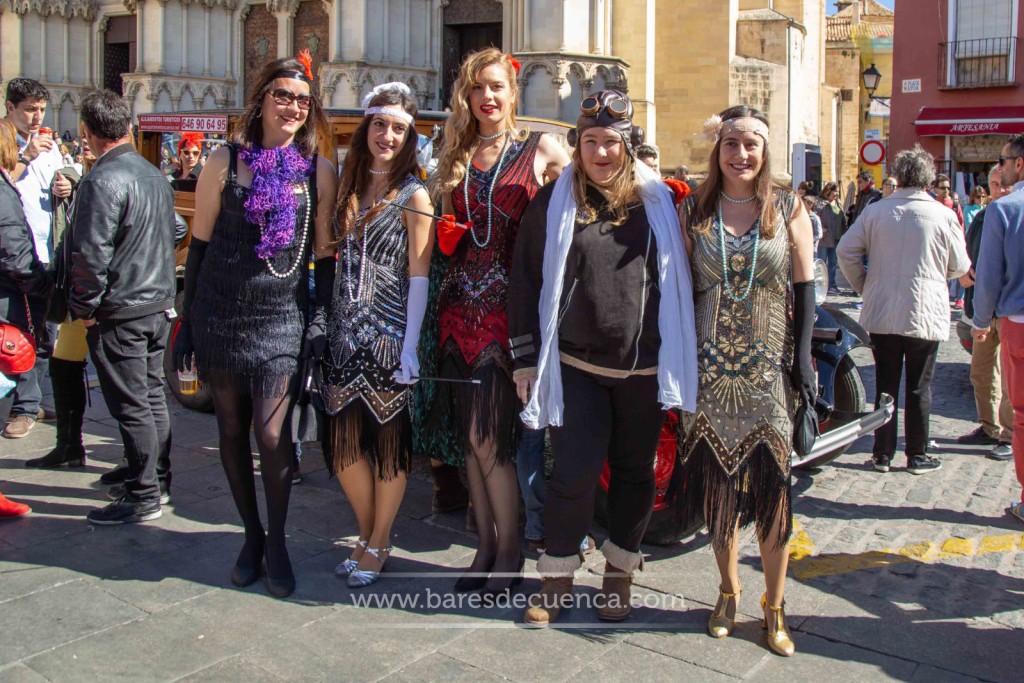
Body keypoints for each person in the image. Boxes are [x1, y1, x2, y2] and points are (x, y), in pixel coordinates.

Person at [509, 90, 697, 626]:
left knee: (635, 474)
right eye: (590, 141)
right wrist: (525, 358)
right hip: (578, 366)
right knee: (573, 475)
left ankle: (619, 576)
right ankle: (557, 578)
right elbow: (525, 280)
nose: (600, 152)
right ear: (578, 146)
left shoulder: (661, 204)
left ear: (628, 146)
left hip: (645, 370)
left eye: (611, 142)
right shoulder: (554, 202)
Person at [175, 53, 336, 597]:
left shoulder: (319, 171)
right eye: (282, 95)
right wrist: (188, 325)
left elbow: (325, 258)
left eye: (302, 100)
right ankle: (251, 535)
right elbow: (199, 245)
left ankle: (278, 542)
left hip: (281, 319)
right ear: (262, 99)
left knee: (271, 434)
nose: (292, 107)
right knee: (229, 429)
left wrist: (320, 321)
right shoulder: (224, 160)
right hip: (220, 312)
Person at [428, 47, 570, 595]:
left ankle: (510, 551)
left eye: (496, 87)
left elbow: (582, 207)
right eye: (476, 87)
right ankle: (485, 546)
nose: (486, 97)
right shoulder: (456, 152)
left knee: (490, 437)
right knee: (469, 440)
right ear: (466, 96)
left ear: (513, 92)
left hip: (508, 315)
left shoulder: (541, 148)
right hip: (455, 311)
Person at [676, 106, 815, 657]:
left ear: (765, 150)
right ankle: (728, 590)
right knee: (719, 491)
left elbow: (806, 287)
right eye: (731, 143)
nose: (741, 155)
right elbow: (677, 290)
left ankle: (775, 605)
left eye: (750, 144)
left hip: (767, 371)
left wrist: (803, 360)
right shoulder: (695, 208)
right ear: (718, 149)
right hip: (708, 372)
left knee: (774, 492)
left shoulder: (788, 205)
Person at [314, 83, 433, 588]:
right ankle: (366, 534)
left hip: (389, 337)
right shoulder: (346, 184)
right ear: (367, 128)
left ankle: (380, 541)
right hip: (344, 334)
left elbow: (420, 276)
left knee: (387, 445)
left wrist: (410, 347)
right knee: (343, 444)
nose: (387, 135)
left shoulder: (415, 195)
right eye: (380, 125)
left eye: (399, 129)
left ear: (410, 138)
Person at [63, 90, 176, 525]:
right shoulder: (152, 174)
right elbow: (175, 227)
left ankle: (144, 493)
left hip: (122, 308)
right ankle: (153, 478)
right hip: (154, 303)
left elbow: (90, 254)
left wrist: (86, 307)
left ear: (87, 133)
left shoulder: (101, 180)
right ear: (126, 127)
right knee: (150, 396)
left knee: (132, 403)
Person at [838, 145, 969, 476]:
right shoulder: (942, 214)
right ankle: (917, 454)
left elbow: (846, 251)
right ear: (928, 178)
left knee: (885, 382)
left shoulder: (876, 211)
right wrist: (938, 273)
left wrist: (866, 285)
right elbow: (960, 265)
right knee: (919, 385)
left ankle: (882, 453)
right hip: (924, 308)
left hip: (883, 308)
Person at [24, 126, 94, 471]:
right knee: (63, 364)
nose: (85, 146)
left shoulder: (114, 179)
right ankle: (68, 446)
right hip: (80, 297)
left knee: (125, 384)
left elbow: (176, 226)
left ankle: (139, 467)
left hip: (104, 299)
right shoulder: (82, 177)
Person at [3, 78, 62, 438]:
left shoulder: (50, 144)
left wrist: (67, 184)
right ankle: (22, 407)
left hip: (46, 253)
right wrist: (26, 157)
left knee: (44, 335)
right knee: (15, 335)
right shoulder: (6, 143)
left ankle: (30, 400)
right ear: (10, 108)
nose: (36, 116)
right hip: (14, 259)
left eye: (41, 109)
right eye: (29, 109)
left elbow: (62, 179)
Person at [972, 133, 1024, 526]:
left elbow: (989, 276)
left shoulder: (1004, 209)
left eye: (1003, 161)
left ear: (1019, 164)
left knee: (1021, 414)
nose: (1000, 168)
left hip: (1018, 323)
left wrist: (980, 320)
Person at [1, 114, 54, 497]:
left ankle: (28, 404)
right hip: (11, 292)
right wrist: (43, 286)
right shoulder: (3, 189)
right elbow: (14, 252)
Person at [959, 165, 1014, 461]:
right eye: (994, 184)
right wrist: (963, 271)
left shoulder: (1013, 213)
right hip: (982, 307)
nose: (999, 189)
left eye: (1003, 184)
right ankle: (989, 427)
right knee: (981, 372)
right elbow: (966, 251)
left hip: (1008, 308)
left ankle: (1010, 435)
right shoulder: (982, 217)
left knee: (1010, 377)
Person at [815, 182, 846, 291]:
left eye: (838, 191)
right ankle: (820, 284)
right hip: (825, 238)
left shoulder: (838, 203)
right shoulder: (820, 203)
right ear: (828, 191)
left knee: (833, 262)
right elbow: (815, 216)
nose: (837, 193)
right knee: (822, 262)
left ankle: (831, 284)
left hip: (836, 237)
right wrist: (821, 228)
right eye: (835, 191)